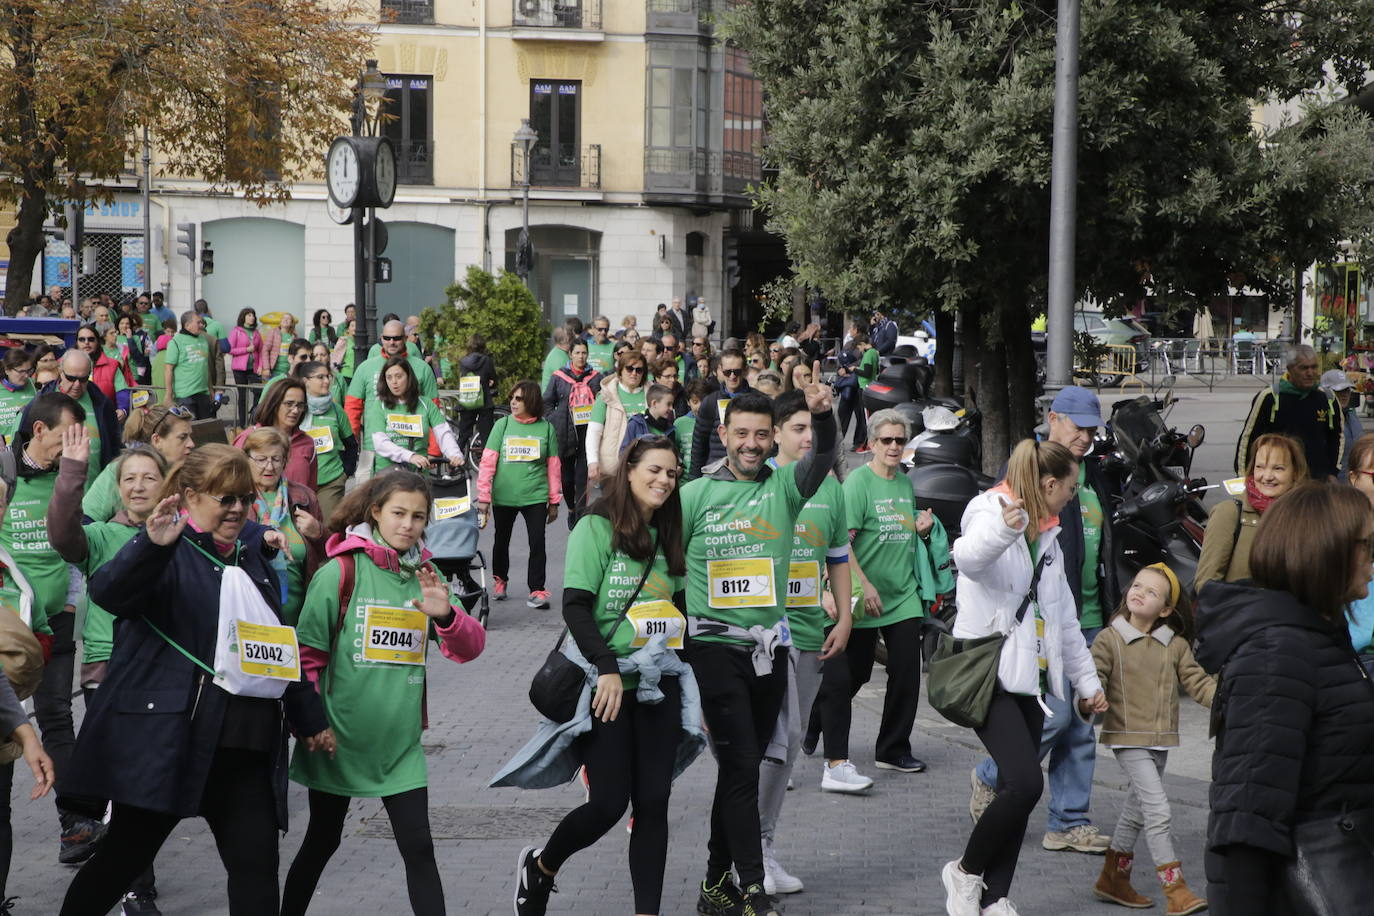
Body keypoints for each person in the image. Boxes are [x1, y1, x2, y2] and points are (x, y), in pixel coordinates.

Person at [58, 444, 335, 916]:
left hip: (243, 749)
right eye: (223, 498)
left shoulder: (250, 558)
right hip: (171, 743)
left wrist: (310, 718)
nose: (236, 508)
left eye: (244, 498)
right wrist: (150, 545)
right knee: (121, 860)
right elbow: (109, 593)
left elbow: (273, 649)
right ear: (189, 494)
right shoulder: (165, 548)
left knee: (256, 872)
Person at [280, 472, 485, 916]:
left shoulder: (426, 576)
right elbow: (307, 657)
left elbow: (471, 647)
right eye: (398, 514)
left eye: (418, 516)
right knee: (322, 841)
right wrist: (311, 724)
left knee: (419, 847)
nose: (408, 525)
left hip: (400, 747)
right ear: (375, 512)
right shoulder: (341, 571)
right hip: (340, 740)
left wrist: (447, 614)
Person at [508, 436, 694, 916]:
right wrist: (608, 668)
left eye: (672, 474)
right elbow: (575, 606)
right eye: (654, 470)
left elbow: (678, 614)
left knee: (653, 803)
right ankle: (542, 867)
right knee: (609, 805)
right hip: (604, 688)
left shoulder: (671, 533)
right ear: (629, 470)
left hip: (658, 687)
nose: (663, 481)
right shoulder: (597, 524)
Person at [681, 373, 837, 916]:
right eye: (741, 433)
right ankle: (751, 890)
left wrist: (822, 416)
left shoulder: (784, 487)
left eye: (761, 435)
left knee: (739, 771)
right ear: (724, 434)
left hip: (768, 650)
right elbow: (667, 576)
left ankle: (712, 886)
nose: (751, 444)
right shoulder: (694, 495)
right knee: (744, 765)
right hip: (712, 649)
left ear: (773, 439)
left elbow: (824, 458)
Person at [942, 439, 1106, 916]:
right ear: (1049, 484)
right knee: (1025, 784)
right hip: (988, 671)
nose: (1073, 497)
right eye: (1070, 488)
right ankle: (966, 872)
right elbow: (968, 560)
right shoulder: (990, 508)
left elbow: (1065, 620)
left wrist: (1088, 684)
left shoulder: (1050, 533)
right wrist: (1004, 531)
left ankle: (995, 899)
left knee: (1021, 791)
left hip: (1031, 679)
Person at [1194, 482, 1374, 914]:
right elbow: (1247, 819)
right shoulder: (1279, 653)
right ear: (1327, 551)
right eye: (1367, 545)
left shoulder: (1319, 636)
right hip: (1300, 893)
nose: (1373, 558)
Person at [971, 386, 1120, 854]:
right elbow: (975, 554)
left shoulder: (1091, 470)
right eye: (1078, 429)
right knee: (1054, 719)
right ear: (1053, 419)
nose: (1086, 439)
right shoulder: (1027, 470)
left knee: (1082, 725)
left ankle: (1069, 820)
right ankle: (995, 776)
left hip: (1086, 611)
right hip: (1041, 624)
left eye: (1092, 431)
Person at [47, 433, 169, 914]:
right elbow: (62, 534)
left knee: (152, 785)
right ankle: (136, 889)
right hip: (109, 675)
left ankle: (135, 875)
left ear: (166, 484)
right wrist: (72, 474)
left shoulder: (181, 537)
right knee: (126, 783)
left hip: (164, 677)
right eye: (129, 479)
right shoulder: (99, 537)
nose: (138, 487)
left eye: (149, 478)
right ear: (118, 488)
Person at [754, 391, 862, 898]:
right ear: (775, 432)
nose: (806, 437)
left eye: (812, 429)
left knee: (789, 743)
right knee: (774, 741)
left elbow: (838, 555)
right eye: (797, 427)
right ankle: (750, 848)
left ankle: (760, 847)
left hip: (808, 632)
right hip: (759, 636)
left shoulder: (831, 489)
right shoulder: (760, 482)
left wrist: (843, 615)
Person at [1090, 564, 1214, 915]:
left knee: (1136, 811)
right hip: (1128, 738)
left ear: (1165, 610)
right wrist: (1090, 697)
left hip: (1161, 742)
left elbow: (1199, 683)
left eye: (1151, 591)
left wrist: (1228, 699)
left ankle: (1112, 880)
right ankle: (1175, 890)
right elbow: (1092, 676)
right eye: (1137, 585)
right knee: (1158, 810)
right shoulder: (1109, 639)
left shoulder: (1174, 645)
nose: (1139, 592)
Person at [833, 409, 936, 774]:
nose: (894, 446)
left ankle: (893, 749)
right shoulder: (858, 483)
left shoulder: (905, 483)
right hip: (865, 595)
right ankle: (818, 719)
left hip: (903, 594)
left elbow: (902, 531)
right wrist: (865, 583)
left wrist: (922, 531)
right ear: (873, 443)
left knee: (907, 672)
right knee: (857, 672)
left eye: (899, 440)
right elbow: (842, 543)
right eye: (886, 440)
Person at [476, 381, 561, 609]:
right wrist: (483, 498)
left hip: (535, 497)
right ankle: (500, 580)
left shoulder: (546, 429)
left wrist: (554, 501)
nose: (513, 402)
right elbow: (487, 463)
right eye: (512, 398)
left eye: (519, 399)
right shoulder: (502, 425)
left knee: (537, 543)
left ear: (531, 401)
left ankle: (537, 589)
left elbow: (553, 468)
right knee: (501, 541)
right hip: (504, 497)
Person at [1194, 432, 1307, 591]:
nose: (1267, 476)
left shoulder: (1305, 517)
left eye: (1278, 468)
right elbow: (1205, 585)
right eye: (1260, 467)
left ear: (1295, 473)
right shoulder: (1229, 513)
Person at [240, 426, 324, 626]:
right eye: (261, 459)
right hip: (250, 613)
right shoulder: (236, 497)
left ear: (285, 461)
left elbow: (327, 554)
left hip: (299, 614)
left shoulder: (303, 497)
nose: (269, 467)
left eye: (276, 459)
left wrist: (318, 533)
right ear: (247, 459)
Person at [345, 320, 437, 482]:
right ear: (381, 338)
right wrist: (350, 446)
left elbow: (433, 410)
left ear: (406, 338)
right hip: (371, 449)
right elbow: (353, 408)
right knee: (368, 498)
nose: (391, 342)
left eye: (396, 338)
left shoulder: (422, 368)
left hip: (414, 449)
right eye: (387, 338)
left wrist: (435, 450)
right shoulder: (366, 368)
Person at [1234, 344, 1343, 480]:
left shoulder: (1327, 397)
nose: (1310, 373)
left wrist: (1332, 472)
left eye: (1314, 367)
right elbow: (1248, 439)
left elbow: (1337, 436)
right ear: (1290, 369)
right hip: (1278, 481)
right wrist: (1243, 477)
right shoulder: (1270, 397)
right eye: (1304, 368)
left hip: (1316, 481)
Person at [82, 404, 196, 524]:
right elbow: (85, 520)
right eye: (183, 437)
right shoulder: (118, 470)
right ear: (157, 440)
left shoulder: (187, 473)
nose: (191, 444)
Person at [365, 356, 463, 475]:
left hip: (418, 474)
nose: (394, 382)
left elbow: (443, 432)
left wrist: (454, 454)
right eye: (389, 378)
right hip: (388, 475)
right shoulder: (380, 405)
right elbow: (380, 442)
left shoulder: (426, 404)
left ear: (409, 377)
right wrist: (410, 456)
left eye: (399, 376)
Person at [544, 339, 601, 530]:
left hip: (587, 432)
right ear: (570, 355)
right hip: (565, 433)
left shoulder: (595, 377)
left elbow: (602, 399)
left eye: (584, 353)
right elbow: (547, 401)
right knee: (567, 479)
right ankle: (570, 508)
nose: (581, 357)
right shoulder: (559, 376)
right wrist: (554, 418)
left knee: (582, 478)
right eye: (577, 353)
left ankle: (580, 517)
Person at [232, 377, 318, 491]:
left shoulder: (307, 443)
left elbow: (310, 491)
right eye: (289, 404)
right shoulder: (248, 438)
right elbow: (231, 481)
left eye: (300, 405)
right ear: (274, 404)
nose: (295, 410)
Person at [299, 361, 357, 521]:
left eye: (328, 376)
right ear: (306, 381)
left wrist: (345, 473)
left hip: (331, 480)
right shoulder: (296, 408)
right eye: (320, 377)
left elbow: (351, 444)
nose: (326, 381)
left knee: (328, 529)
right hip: (299, 481)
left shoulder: (337, 410)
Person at [586, 351, 650, 485]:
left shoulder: (652, 394)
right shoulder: (605, 395)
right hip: (612, 467)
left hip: (644, 464)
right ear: (620, 370)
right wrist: (592, 461)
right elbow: (594, 431)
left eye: (639, 370)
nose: (634, 373)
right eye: (629, 368)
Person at [688, 349, 753, 480]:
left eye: (737, 371)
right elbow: (699, 446)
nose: (732, 376)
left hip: (749, 473)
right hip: (715, 473)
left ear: (745, 370)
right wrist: (694, 480)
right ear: (720, 370)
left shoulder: (759, 400)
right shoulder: (710, 402)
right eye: (727, 372)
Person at [163, 310, 214, 419]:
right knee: (189, 429)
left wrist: (211, 390)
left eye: (202, 322)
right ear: (187, 325)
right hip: (185, 395)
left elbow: (205, 367)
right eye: (198, 322)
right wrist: (168, 394)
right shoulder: (175, 342)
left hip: (203, 393)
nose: (201, 325)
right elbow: (168, 370)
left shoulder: (204, 340)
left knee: (205, 429)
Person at [77, 323, 133, 419]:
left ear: (97, 342)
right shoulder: (65, 364)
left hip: (104, 419)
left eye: (91, 339)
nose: (86, 342)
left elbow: (122, 391)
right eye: (82, 339)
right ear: (76, 342)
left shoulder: (112, 365)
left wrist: (123, 409)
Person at [456, 333, 497, 460]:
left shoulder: (464, 362)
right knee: (486, 437)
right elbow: (493, 378)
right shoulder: (487, 361)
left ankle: (453, 464)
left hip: (467, 401)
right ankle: (487, 465)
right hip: (484, 402)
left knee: (463, 435)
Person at [1321, 369, 1363, 478]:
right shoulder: (1321, 418)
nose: (1344, 395)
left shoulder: (1351, 413)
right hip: (1331, 483)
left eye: (1347, 390)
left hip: (1353, 482)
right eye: (1339, 391)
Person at [228, 308, 266, 428]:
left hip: (253, 369)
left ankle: (253, 418)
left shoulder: (256, 333)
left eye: (253, 315)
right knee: (242, 396)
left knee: (259, 393)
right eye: (249, 315)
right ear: (243, 317)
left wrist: (260, 366)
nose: (252, 317)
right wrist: (246, 350)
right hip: (239, 369)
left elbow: (261, 351)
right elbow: (230, 349)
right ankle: (242, 424)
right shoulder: (236, 331)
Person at [619, 383, 676, 452]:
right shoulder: (635, 424)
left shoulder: (670, 429)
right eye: (668, 404)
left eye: (672, 404)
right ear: (654, 403)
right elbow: (624, 452)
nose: (671, 408)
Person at [0, 348, 36, 447]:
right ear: (7, 370)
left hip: (28, 447)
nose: (26, 376)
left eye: (29, 371)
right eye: (21, 371)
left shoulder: (34, 386)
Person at [852, 334, 879, 453]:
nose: (859, 351)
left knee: (866, 419)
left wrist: (855, 369)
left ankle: (868, 444)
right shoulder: (874, 353)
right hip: (870, 386)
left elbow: (867, 373)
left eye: (859, 348)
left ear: (862, 344)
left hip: (865, 387)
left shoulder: (868, 354)